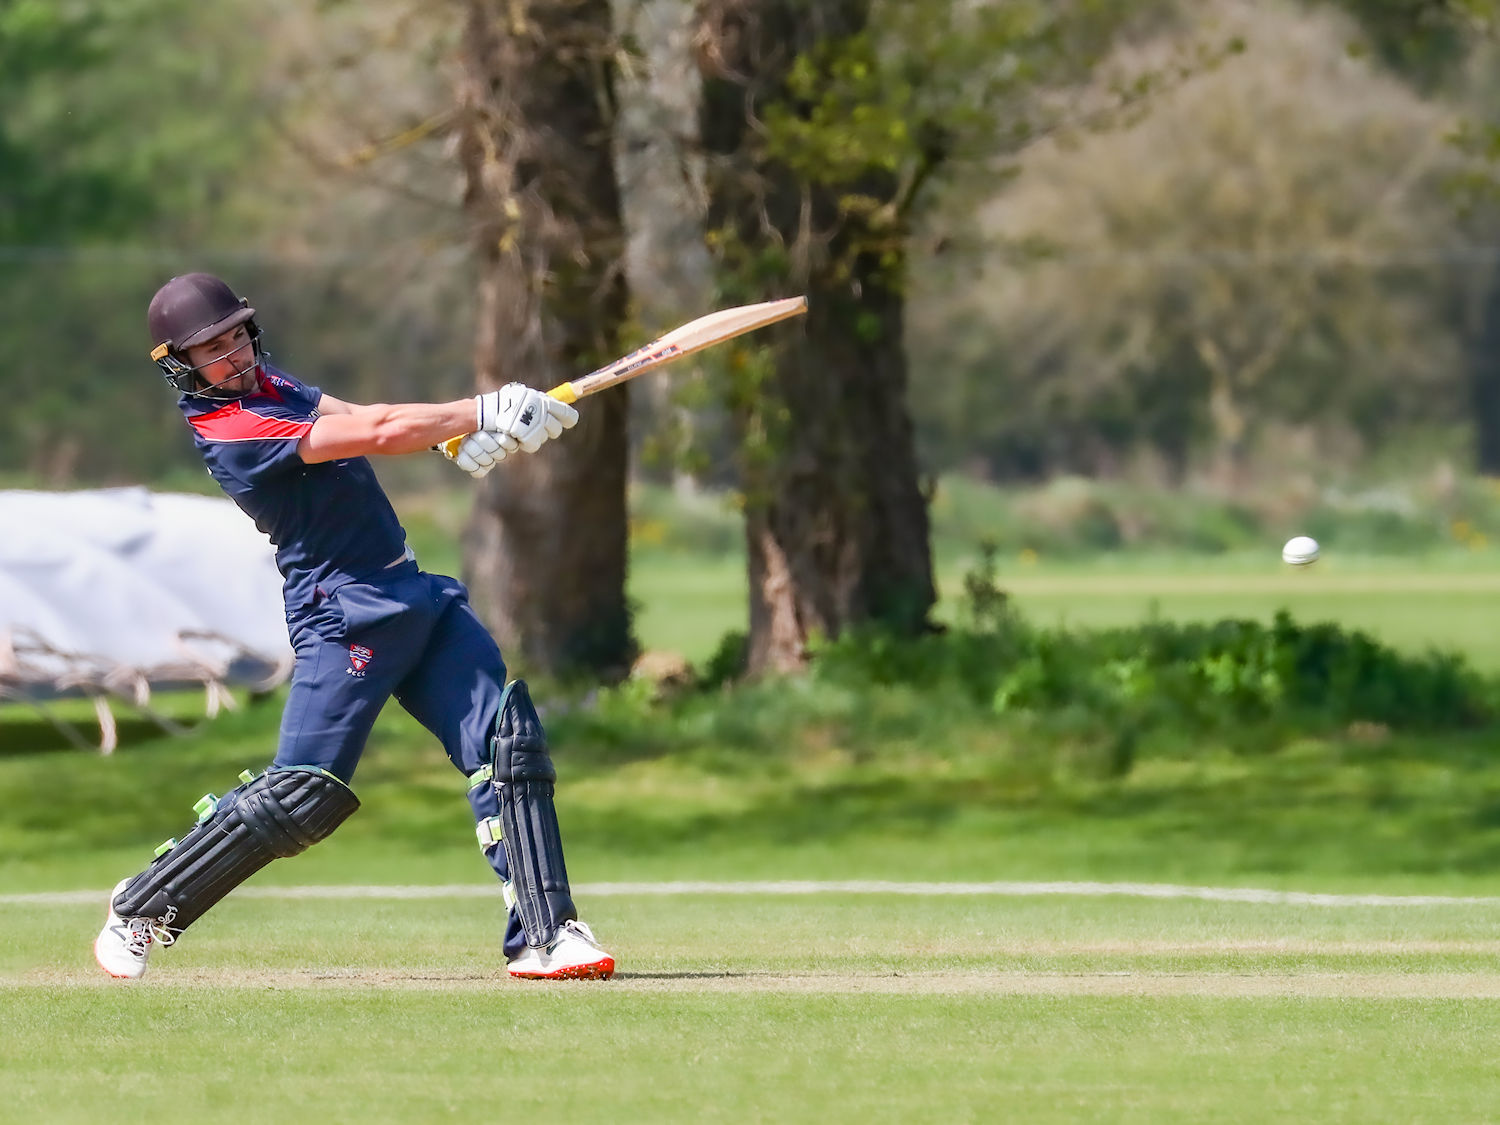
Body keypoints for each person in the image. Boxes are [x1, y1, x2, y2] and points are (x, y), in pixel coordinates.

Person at [92, 272, 613, 982]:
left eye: (238, 334)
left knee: (507, 744)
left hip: (413, 593)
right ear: (182, 365)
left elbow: (362, 413)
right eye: (212, 348)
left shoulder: (272, 387)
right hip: (344, 615)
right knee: (301, 794)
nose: (235, 353)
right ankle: (143, 906)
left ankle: (547, 933)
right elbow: (375, 432)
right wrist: (481, 407)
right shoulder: (231, 428)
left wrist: (455, 439)